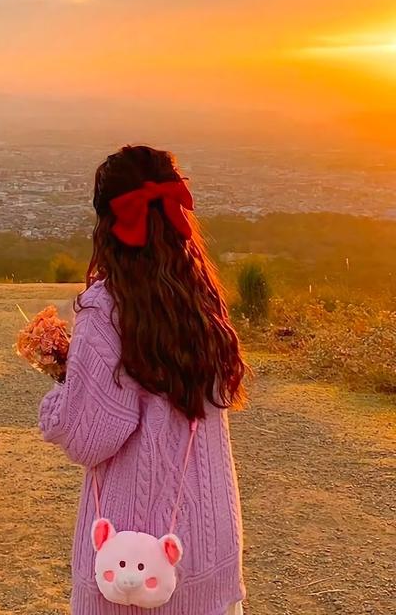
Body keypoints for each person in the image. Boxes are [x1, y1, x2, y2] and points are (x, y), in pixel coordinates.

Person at [39, 145, 247, 614]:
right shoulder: (201, 297)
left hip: (132, 556)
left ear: (108, 225)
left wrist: (58, 400)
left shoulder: (105, 308)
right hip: (206, 544)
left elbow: (90, 435)